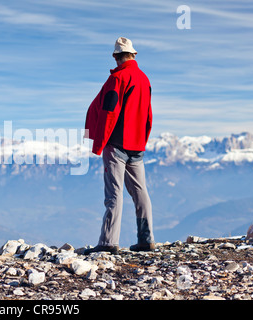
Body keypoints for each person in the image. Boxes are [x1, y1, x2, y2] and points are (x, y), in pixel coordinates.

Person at [84, 37, 155, 254]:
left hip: (116, 144)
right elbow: (149, 115)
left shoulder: (118, 79)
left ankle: (108, 243)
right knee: (140, 192)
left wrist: (99, 143)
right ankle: (146, 239)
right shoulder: (144, 79)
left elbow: (108, 113)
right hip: (137, 145)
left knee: (114, 194)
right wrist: (143, 139)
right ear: (133, 55)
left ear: (115, 56)